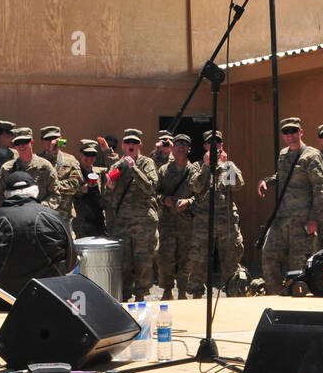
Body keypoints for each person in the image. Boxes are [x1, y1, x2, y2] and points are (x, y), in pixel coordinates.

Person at [0, 171, 76, 310]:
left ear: (6, 194)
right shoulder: (54, 217)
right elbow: (71, 262)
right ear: (35, 192)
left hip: (3, 304)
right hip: (50, 300)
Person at [256, 117, 323, 295]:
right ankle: (276, 295)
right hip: (281, 219)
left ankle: (299, 302)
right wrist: (266, 181)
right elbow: (282, 176)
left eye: (294, 131)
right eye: (286, 132)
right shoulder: (283, 154)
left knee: (299, 265)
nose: (290, 136)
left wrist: (314, 219)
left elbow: (321, 189)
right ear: (283, 135)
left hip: (302, 220)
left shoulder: (310, 155)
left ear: (301, 132)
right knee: (269, 254)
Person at [102, 128, 159, 299]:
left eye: (134, 142)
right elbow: (108, 199)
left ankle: (142, 298)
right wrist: (109, 187)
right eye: (127, 143)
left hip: (143, 225)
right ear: (123, 146)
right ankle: (124, 299)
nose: (131, 145)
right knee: (124, 264)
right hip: (123, 224)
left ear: (140, 144)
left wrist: (134, 169)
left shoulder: (146, 163)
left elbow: (150, 188)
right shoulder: (116, 166)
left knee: (143, 263)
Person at [188, 131, 247, 297]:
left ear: (222, 145)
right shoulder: (197, 166)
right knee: (199, 261)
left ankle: (233, 295)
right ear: (205, 146)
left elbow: (238, 185)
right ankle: (197, 297)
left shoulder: (228, 165)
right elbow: (196, 187)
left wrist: (227, 164)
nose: (215, 146)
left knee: (231, 260)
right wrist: (207, 167)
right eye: (210, 143)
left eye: (218, 143)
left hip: (226, 221)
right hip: (203, 222)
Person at [156, 133, 201, 298]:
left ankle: (183, 291)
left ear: (189, 149)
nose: (181, 148)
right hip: (167, 223)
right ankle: (167, 290)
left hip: (187, 224)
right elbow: (154, 193)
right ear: (173, 149)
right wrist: (164, 200)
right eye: (178, 145)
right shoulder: (163, 170)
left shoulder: (195, 171)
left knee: (186, 259)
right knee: (165, 258)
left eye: (184, 145)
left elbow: (203, 196)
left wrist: (189, 201)